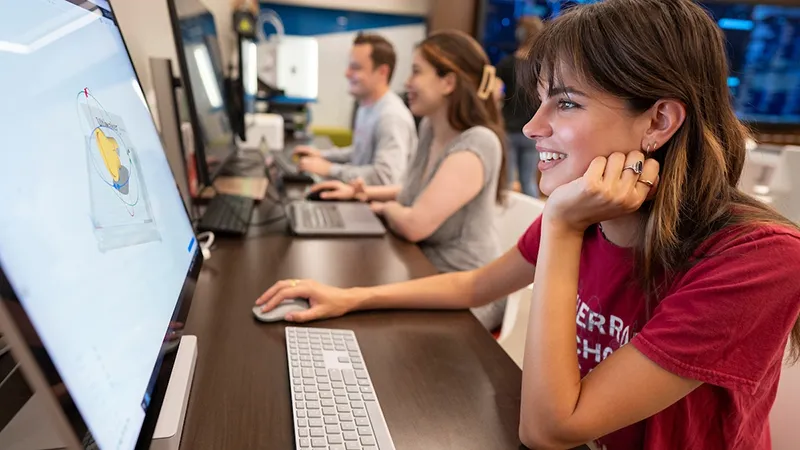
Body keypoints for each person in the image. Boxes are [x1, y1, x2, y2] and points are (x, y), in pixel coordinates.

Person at [257, 0, 800, 448]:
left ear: (658, 121)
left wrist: (561, 226)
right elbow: (474, 285)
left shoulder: (759, 257)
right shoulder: (586, 211)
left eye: (564, 103)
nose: (533, 126)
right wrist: (351, 297)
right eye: (540, 101)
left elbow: (551, 428)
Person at [301, 30, 509, 330]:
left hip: (465, 291)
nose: (406, 83)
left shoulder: (478, 142)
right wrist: (362, 194)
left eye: (416, 72)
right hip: (424, 269)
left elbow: (414, 224)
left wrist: (382, 207)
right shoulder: (429, 128)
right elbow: (418, 193)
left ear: (448, 82)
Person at [293, 33, 417, 186]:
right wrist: (322, 155)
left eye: (356, 67)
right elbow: (361, 152)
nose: (347, 73)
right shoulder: (366, 106)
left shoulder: (391, 116)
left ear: (382, 72)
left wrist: (330, 169)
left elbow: (385, 177)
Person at [496, 16, 544, 198]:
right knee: (529, 181)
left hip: (509, 129)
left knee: (508, 183)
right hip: (533, 132)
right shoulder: (541, 67)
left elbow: (496, 94)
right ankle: (533, 224)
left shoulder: (505, 64)